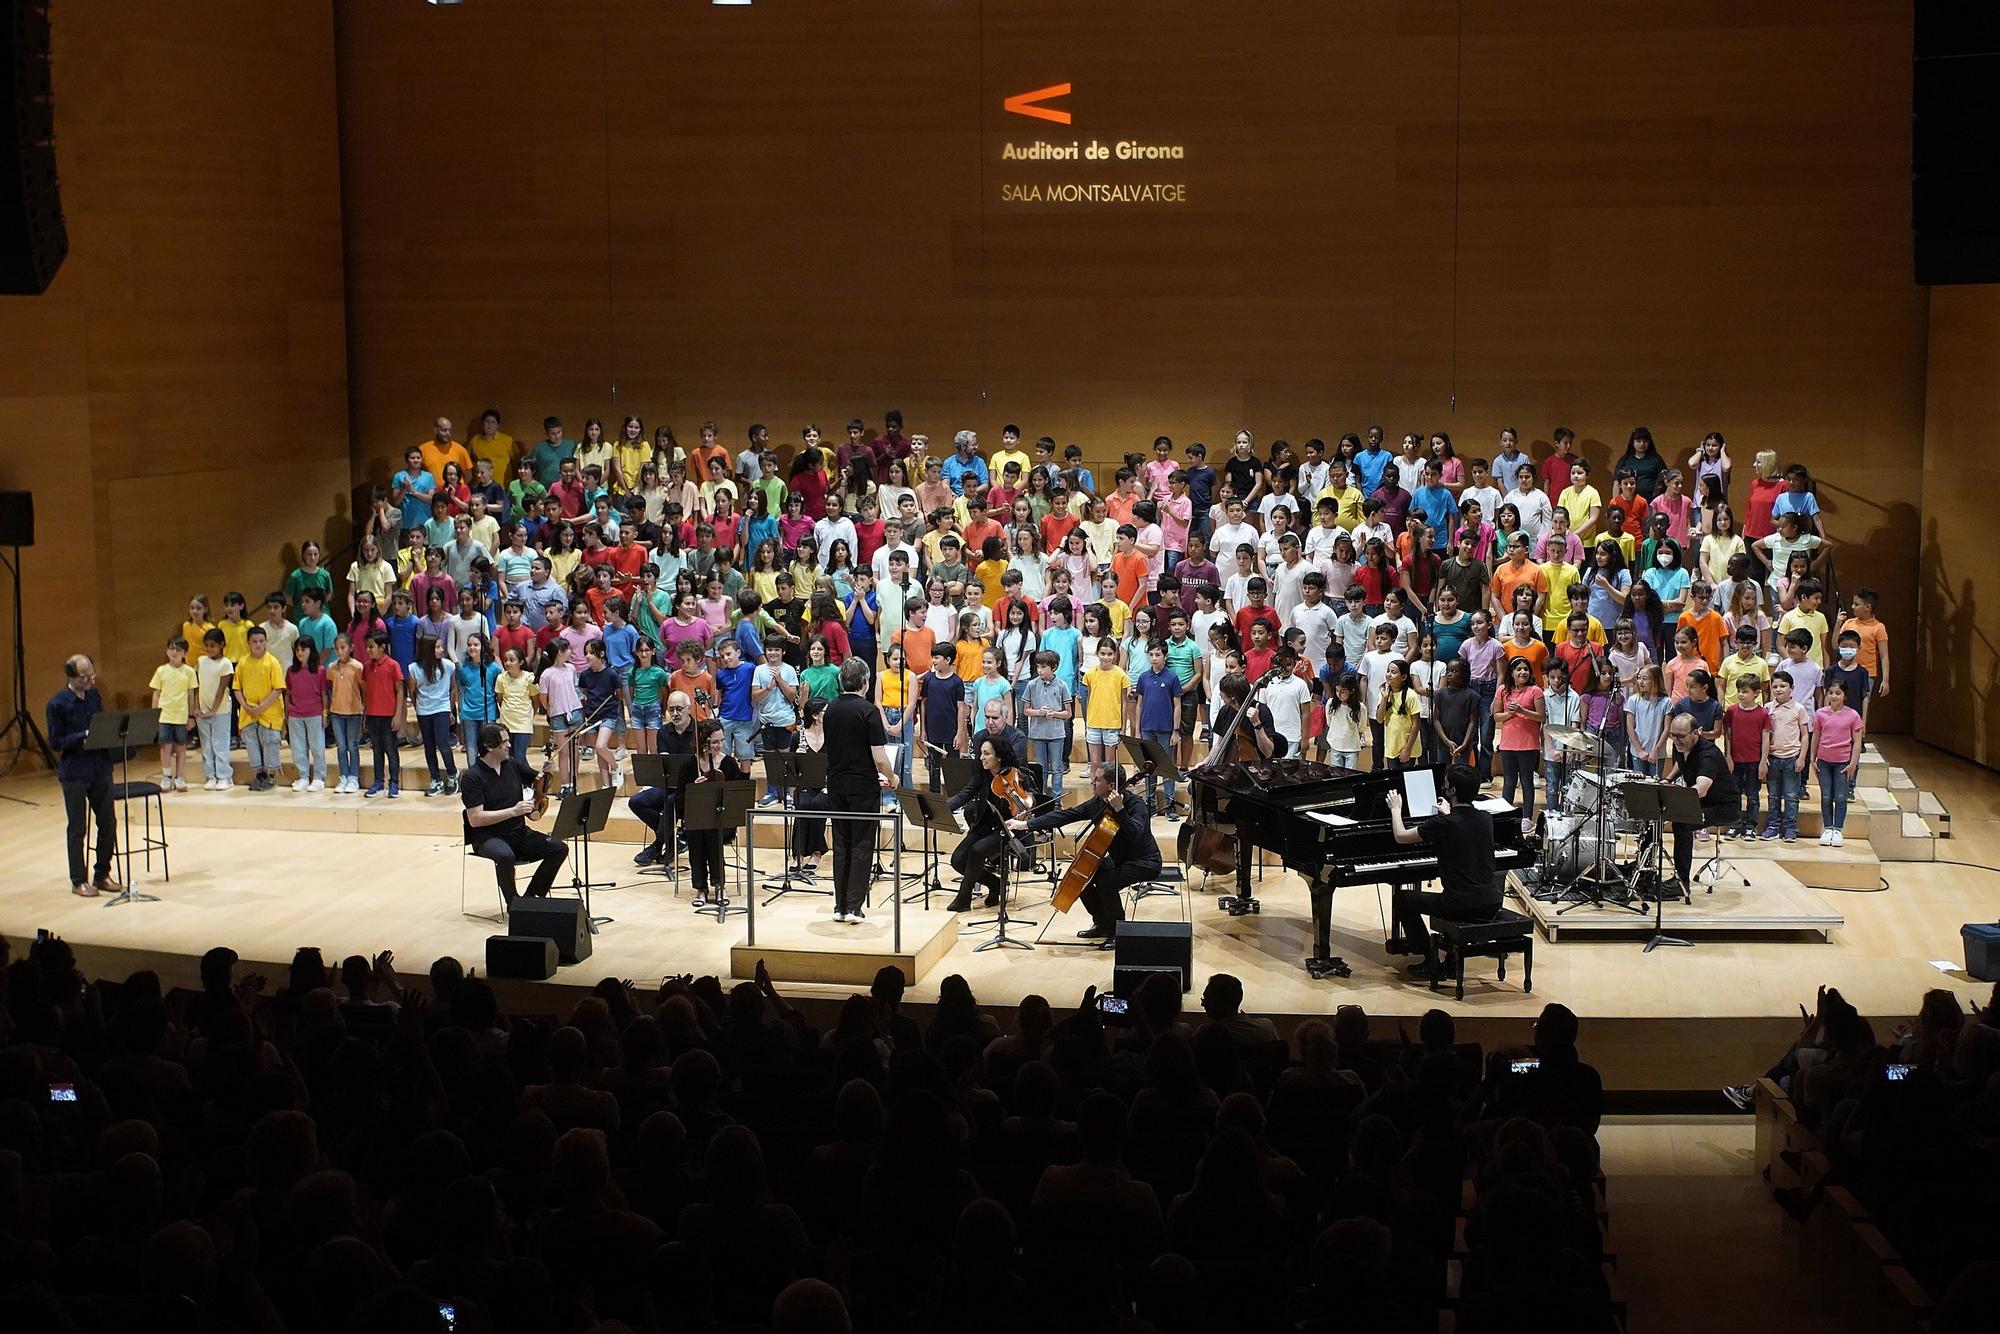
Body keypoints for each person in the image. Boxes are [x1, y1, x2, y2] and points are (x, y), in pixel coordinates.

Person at [1008, 763, 1162, 941]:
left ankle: (1118, 933)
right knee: (1083, 876)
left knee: (1107, 882)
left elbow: (1135, 834)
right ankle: (1103, 925)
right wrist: (1026, 824)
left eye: (1098, 779)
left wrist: (1120, 810)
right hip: (1120, 860)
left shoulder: (1136, 804)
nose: (1092, 782)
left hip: (1144, 861)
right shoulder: (1098, 802)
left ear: (1112, 786)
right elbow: (1067, 815)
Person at [1384, 765, 1502, 979]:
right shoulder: (1485, 818)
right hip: (1491, 901)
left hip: (1459, 904)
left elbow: (1401, 836)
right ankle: (1451, 958)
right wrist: (1449, 812)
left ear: (1453, 791)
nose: (1443, 786)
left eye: (1446, 784)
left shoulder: (1444, 823)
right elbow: (1462, 825)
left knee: (1402, 898)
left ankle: (1431, 962)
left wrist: (1395, 809)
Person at [460, 723, 566, 907]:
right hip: (488, 837)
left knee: (559, 848)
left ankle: (532, 897)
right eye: (505, 742)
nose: (509, 745)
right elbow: (475, 819)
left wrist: (547, 773)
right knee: (505, 856)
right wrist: (513, 811)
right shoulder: (473, 777)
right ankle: (514, 905)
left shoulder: (512, 764)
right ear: (490, 747)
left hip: (517, 832)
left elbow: (538, 781)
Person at [823, 658, 895, 923]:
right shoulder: (868, 711)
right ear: (865, 682)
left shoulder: (830, 709)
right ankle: (854, 907)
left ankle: (839, 906)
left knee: (842, 844)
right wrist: (893, 776)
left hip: (836, 785)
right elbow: (879, 757)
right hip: (862, 787)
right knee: (862, 844)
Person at [48, 654, 119, 897]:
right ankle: (78, 880)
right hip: (75, 772)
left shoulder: (94, 695)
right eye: (84, 676)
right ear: (71, 677)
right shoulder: (57, 704)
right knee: (78, 828)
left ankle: (102, 874)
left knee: (108, 823)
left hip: (99, 767)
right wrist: (82, 735)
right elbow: (56, 742)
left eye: (91, 673)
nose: (90, 679)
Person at [946, 734, 1026, 913]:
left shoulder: (1014, 775)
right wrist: (944, 807)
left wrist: (1022, 811)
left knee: (977, 850)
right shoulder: (982, 773)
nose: (981, 758)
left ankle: (963, 897)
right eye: (981, 753)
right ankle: (995, 883)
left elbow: (1027, 801)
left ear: (998, 756)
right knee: (957, 860)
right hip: (984, 824)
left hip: (1008, 827)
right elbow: (966, 793)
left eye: (986, 754)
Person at [1662, 713, 1738, 892]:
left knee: (1682, 822)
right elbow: (1681, 764)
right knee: (1653, 815)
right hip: (1701, 802)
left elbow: (1701, 789)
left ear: (1696, 733)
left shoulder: (1708, 754)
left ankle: (1682, 882)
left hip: (1723, 806)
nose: (1676, 740)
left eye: (1681, 736)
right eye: (1673, 735)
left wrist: (1675, 799)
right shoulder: (1680, 746)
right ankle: (1644, 869)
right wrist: (1665, 782)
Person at [630, 689, 697, 868]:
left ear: (689, 709)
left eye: (679, 709)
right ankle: (674, 840)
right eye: (671, 709)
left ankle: (657, 846)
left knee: (670, 802)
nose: (675, 713)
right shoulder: (664, 732)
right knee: (636, 802)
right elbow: (665, 764)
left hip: (692, 789)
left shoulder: (700, 732)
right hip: (669, 785)